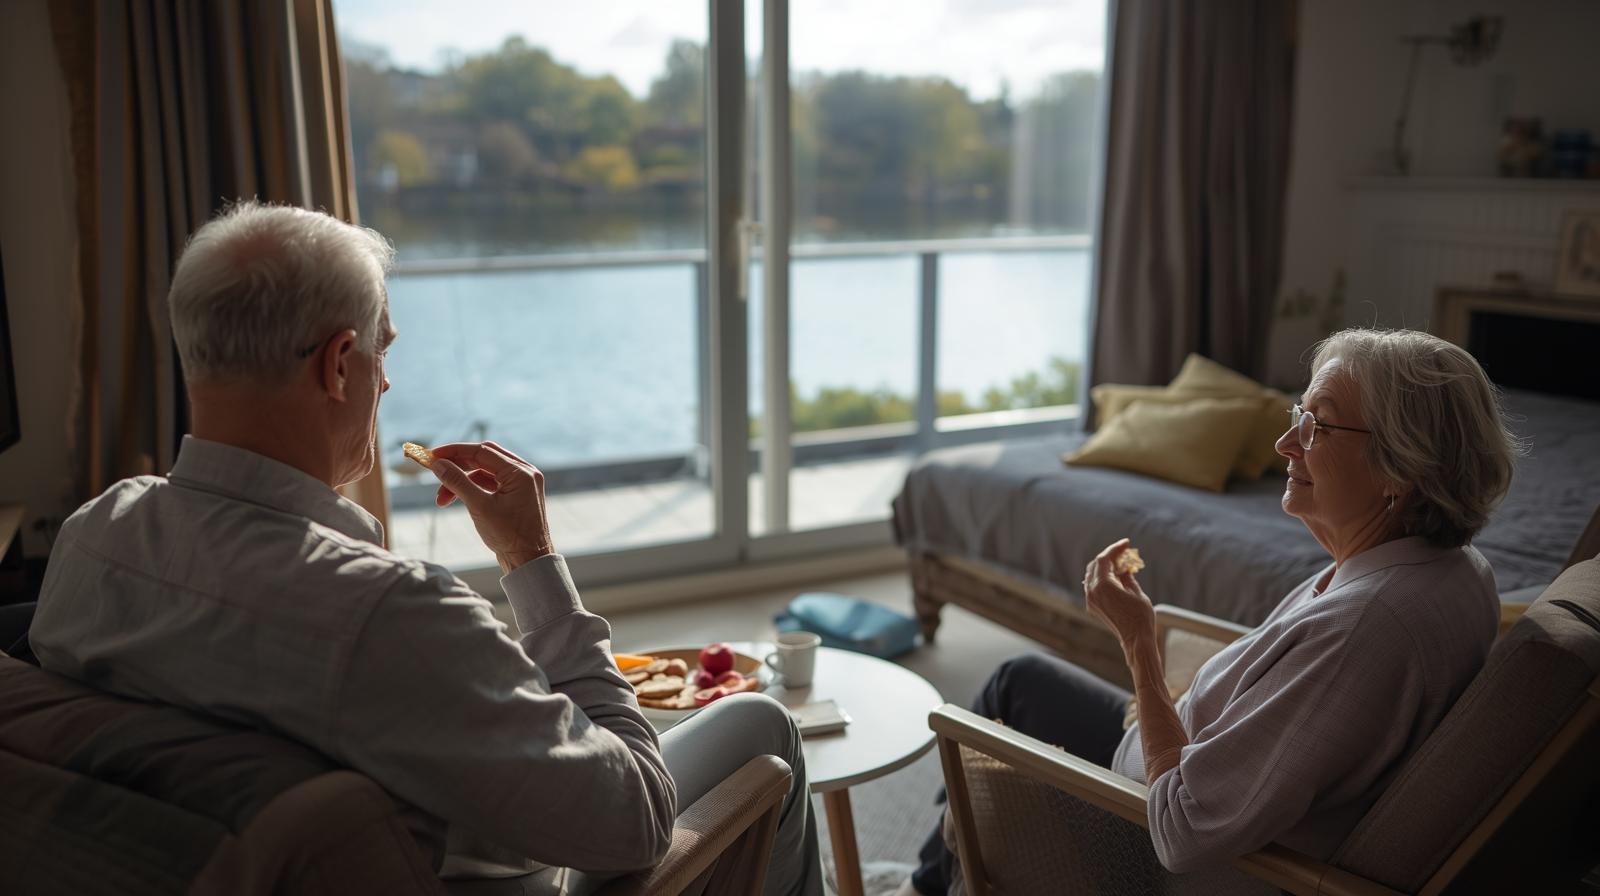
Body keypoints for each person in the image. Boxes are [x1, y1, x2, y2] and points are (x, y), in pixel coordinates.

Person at [27, 202, 822, 895]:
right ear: (340, 365)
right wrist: (533, 561)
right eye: (384, 351)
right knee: (763, 724)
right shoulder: (388, 613)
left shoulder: (90, 541)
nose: (387, 385)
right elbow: (640, 816)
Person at [902, 329, 1521, 894]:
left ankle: (924, 886)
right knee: (1022, 680)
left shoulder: (1364, 629)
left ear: (1402, 470)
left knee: (989, 706)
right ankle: (926, 880)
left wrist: (1140, 646)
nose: (1285, 444)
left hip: (1143, 841)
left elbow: (1182, 831)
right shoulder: (1453, 570)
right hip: (1180, 766)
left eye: (1318, 427)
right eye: (1297, 415)